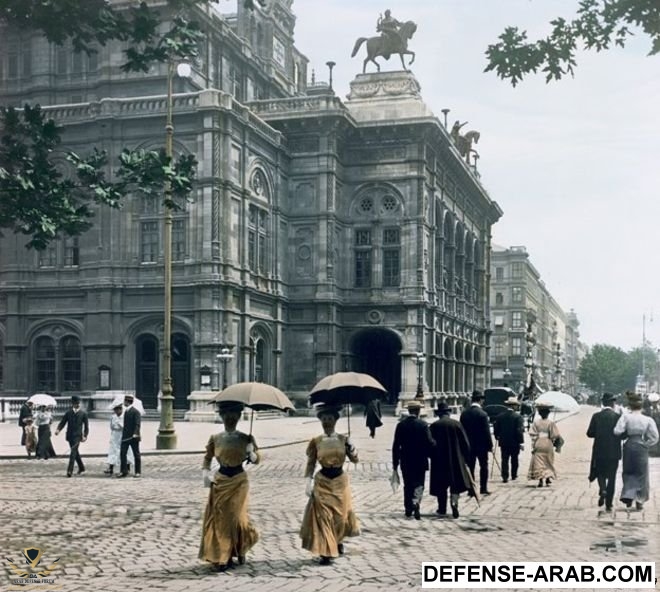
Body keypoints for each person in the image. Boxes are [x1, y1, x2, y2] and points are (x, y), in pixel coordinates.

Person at [199, 401, 260, 572]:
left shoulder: (245, 438)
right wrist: (205, 474)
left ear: (239, 417)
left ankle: (241, 546)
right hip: (221, 481)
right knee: (221, 520)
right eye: (226, 415)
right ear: (222, 417)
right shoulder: (216, 439)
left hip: (239, 481)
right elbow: (207, 458)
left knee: (237, 518)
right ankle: (222, 556)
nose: (230, 418)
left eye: (233, 415)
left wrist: (251, 452)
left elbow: (258, 460)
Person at [300, 404, 360, 566]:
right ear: (320, 421)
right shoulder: (316, 441)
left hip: (340, 482)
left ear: (335, 420)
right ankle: (326, 552)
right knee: (324, 517)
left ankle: (337, 540)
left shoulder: (343, 440)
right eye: (324, 419)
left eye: (330, 419)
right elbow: (311, 463)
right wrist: (308, 481)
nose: (327, 422)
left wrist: (352, 449)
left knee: (339, 518)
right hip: (322, 483)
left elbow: (355, 460)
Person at [613, 391, 659, 511]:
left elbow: (617, 431)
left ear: (630, 406)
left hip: (629, 445)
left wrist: (626, 433)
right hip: (641, 446)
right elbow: (655, 436)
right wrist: (646, 444)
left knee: (628, 471)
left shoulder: (626, 417)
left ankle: (628, 496)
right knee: (642, 473)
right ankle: (640, 499)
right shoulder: (647, 419)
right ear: (641, 406)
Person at [428, 401, 474, 518]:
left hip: (439, 460)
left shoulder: (434, 426)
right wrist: (467, 459)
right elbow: (465, 444)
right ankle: (454, 503)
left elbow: (429, 444)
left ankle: (442, 508)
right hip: (456, 460)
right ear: (449, 413)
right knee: (455, 484)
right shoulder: (456, 424)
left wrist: (431, 456)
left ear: (439, 414)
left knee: (441, 486)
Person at [392, 400, 433, 519]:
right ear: (418, 411)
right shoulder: (423, 425)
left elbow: (396, 446)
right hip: (420, 460)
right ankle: (416, 501)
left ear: (409, 411)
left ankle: (408, 508)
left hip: (406, 460)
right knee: (419, 483)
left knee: (408, 484)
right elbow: (430, 442)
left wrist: (395, 464)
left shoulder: (401, 425)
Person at [586, 393, 623, 512]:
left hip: (599, 451)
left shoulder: (596, 416)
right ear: (613, 403)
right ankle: (609, 503)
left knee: (600, 472)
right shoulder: (617, 417)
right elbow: (623, 435)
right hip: (614, 452)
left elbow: (589, 433)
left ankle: (602, 489)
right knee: (612, 477)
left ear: (603, 403)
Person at [460, 390, 493, 495]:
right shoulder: (483, 414)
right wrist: (490, 445)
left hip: (468, 445)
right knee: (484, 466)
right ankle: (483, 488)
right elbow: (486, 432)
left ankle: (471, 489)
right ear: (480, 400)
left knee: (470, 467)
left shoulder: (464, 414)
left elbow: (462, 431)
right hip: (481, 446)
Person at [528, 403, 561, 487]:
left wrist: (534, 444)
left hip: (539, 442)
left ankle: (540, 480)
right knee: (548, 461)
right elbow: (555, 435)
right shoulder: (551, 423)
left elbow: (533, 434)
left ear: (539, 413)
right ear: (548, 413)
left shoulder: (536, 423)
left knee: (539, 461)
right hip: (548, 443)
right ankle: (547, 478)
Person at [55, 395, 89, 477]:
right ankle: (81, 467)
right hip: (69, 435)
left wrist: (85, 435)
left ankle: (69, 471)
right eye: (75, 403)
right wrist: (58, 429)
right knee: (75, 452)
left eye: (78, 403)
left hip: (78, 436)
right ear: (72, 404)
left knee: (73, 453)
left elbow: (86, 426)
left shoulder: (83, 414)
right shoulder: (68, 413)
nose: (77, 405)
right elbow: (63, 422)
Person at [493, 396, 525, 483]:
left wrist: (497, 437)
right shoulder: (518, 417)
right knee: (514, 459)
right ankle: (514, 475)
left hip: (504, 442)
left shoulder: (500, 416)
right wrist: (521, 442)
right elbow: (519, 431)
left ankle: (505, 476)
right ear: (513, 406)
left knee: (504, 459)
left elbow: (496, 429)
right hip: (515, 442)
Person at [105, 402, 134, 476]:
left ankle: (127, 467)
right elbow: (111, 426)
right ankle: (111, 467)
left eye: (118, 410)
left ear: (121, 410)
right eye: (115, 410)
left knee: (126, 451)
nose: (117, 412)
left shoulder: (125, 416)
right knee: (113, 451)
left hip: (122, 434)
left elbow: (127, 426)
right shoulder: (113, 417)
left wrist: (120, 425)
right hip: (115, 435)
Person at [118, 394, 141, 478]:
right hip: (125, 437)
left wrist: (135, 433)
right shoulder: (126, 412)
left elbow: (137, 424)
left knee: (136, 454)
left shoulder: (136, 412)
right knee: (122, 453)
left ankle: (138, 471)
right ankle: (123, 471)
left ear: (127, 402)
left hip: (133, 437)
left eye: (124, 401)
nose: (123, 402)